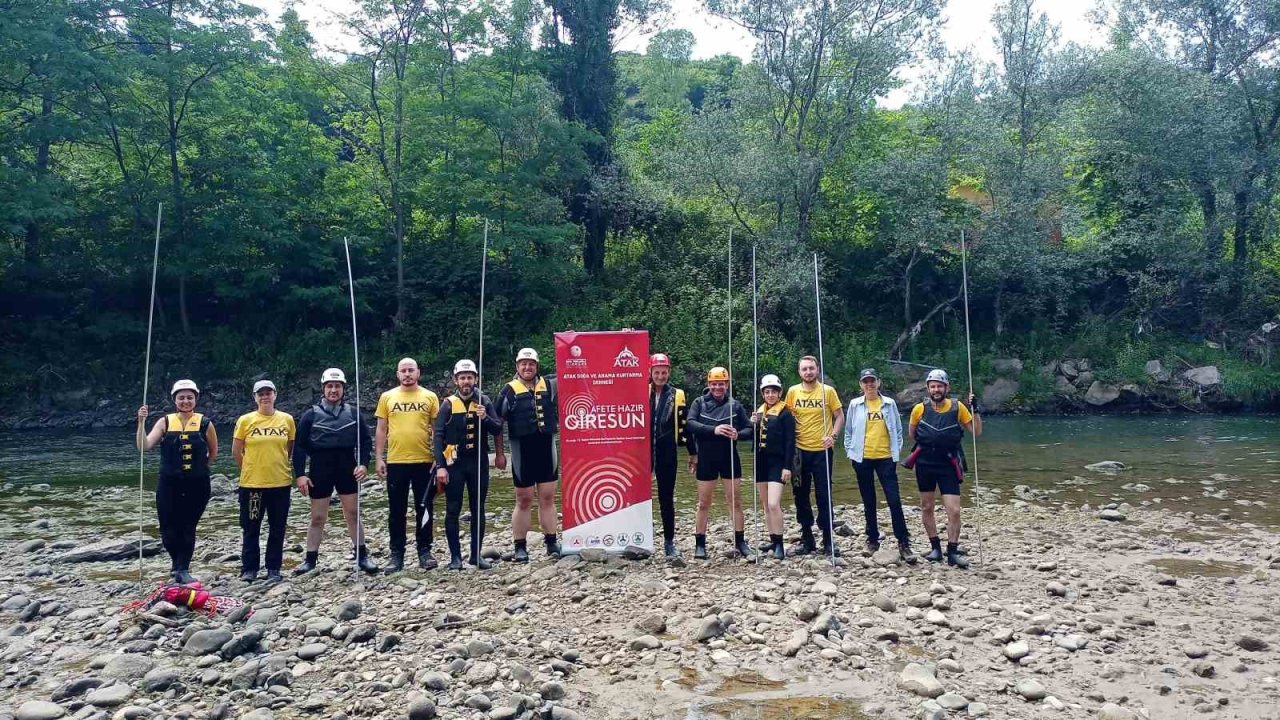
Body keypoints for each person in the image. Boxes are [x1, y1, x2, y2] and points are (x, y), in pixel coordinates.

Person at [292, 368, 377, 575]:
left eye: (337, 386)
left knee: (353, 513)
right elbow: (300, 447)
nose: (333, 390)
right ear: (323, 389)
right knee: (318, 517)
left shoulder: (353, 413)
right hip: (320, 468)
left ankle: (362, 555)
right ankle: (310, 559)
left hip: (347, 466)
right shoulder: (310, 415)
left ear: (343, 389)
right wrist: (300, 474)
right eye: (329, 386)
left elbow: (366, 441)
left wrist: (364, 464)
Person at [136, 379, 218, 584]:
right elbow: (144, 446)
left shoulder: (205, 423)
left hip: (197, 484)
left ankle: (183, 568)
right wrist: (140, 422)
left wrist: (199, 468)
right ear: (174, 400)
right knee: (167, 527)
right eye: (181, 397)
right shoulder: (164, 422)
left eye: (189, 397)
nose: (185, 401)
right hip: (169, 483)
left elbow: (213, 452)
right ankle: (176, 564)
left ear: (196, 399)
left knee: (188, 525)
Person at [906, 369, 982, 568]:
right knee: (927, 507)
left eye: (940, 386)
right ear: (928, 388)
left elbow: (976, 431)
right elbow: (912, 434)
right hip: (924, 463)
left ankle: (953, 551)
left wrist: (976, 410)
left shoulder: (958, 407)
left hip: (948, 464)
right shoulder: (919, 409)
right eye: (933, 386)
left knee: (954, 510)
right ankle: (935, 548)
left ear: (946, 388)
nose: (936, 389)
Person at [433, 360, 504, 570]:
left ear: (476, 379)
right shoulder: (447, 404)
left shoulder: (483, 401)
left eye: (470, 377)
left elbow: (497, 429)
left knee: (478, 509)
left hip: (478, 463)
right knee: (453, 509)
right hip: (454, 464)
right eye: (462, 377)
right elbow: (438, 436)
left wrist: (485, 418)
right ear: (456, 380)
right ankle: (455, 557)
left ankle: (476, 555)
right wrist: (440, 466)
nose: (466, 381)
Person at [374, 358, 440, 572]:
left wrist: (439, 458)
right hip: (396, 461)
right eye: (403, 370)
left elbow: (437, 429)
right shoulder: (387, 397)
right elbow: (381, 429)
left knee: (425, 508)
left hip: (425, 461)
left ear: (418, 372)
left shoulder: (429, 396)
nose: (407, 374)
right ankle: (396, 554)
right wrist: (378, 458)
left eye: (411, 370)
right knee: (396, 510)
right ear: (398, 374)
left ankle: (424, 550)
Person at [843, 368, 914, 563]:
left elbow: (898, 431)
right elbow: (848, 431)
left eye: (872, 381)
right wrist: (851, 452)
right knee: (869, 501)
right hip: (861, 458)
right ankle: (872, 539)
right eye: (865, 381)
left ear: (878, 382)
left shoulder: (889, 404)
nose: (869, 384)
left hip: (885, 459)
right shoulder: (855, 405)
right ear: (861, 385)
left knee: (894, 500)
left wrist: (895, 453)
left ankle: (903, 542)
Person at [495, 348, 559, 561]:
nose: (527, 367)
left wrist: (571, 344)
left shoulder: (550, 385)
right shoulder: (508, 390)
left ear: (536, 366)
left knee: (548, 496)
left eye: (531, 363)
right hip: (522, 449)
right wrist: (500, 454)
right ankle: (520, 545)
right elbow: (497, 424)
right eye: (523, 363)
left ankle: (551, 542)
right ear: (517, 366)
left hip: (546, 448)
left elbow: (574, 371)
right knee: (523, 499)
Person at [686, 366, 754, 560]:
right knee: (703, 503)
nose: (718, 387)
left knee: (735, 501)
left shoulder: (735, 405)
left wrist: (737, 434)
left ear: (727, 384)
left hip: (729, 458)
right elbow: (690, 424)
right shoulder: (699, 403)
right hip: (706, 458)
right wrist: (713, 430)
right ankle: (700, 544)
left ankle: (740, 541)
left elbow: (749, 429)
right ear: (709, 384)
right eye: (714, 384)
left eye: (721, 384)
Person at [232, 380, 296, 582]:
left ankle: (273, 568)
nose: (265, 396)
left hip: (280, 483)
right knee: (251, 527)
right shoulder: (245, 420)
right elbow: (236, 450)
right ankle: (249, 569)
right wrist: (251, 468)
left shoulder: (287, 420)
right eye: (261, 394)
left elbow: (290, 447)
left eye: (269, 393)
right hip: (252, 485)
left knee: (277, 527)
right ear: (255, 397)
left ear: (275, 395)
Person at [784, 355, 845, 556]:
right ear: (799, 372)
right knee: (800, 494)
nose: (808, 372)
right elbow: (785, 416)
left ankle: (828, 538)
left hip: (822, 451)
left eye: (811, 368)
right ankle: (807, 537)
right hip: (799, 452)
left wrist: (833, 436)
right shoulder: (793, 392)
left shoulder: (828, 391)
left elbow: (839, 416)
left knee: (824, 494)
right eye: (804, 369)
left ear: (817, 369)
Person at [648, 353, 688, 558]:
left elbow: (685, 426)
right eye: (657, 372)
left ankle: (669, 542)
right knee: (639, 498)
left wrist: (693, 453)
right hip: (642, 454)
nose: (661, 376)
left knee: (666, 498)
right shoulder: (639, 391)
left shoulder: (676, 394)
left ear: (669, 372)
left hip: (666, 453)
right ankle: (639, 538)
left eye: (664, 372)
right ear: (650, 372)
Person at [750, 374, 794, 560]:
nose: (770, 395)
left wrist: (787, 466)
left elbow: (790, 442)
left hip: (778, 463)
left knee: (773, 504)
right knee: (765, 505)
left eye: (773, 392)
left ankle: (780, 545)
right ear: (763, 394)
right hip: (761, 462)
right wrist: (751, 425)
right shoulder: (758, 413)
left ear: (779, 393)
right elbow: (751, 437)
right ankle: (773, 538)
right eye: (767, 392)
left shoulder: (785, 414)